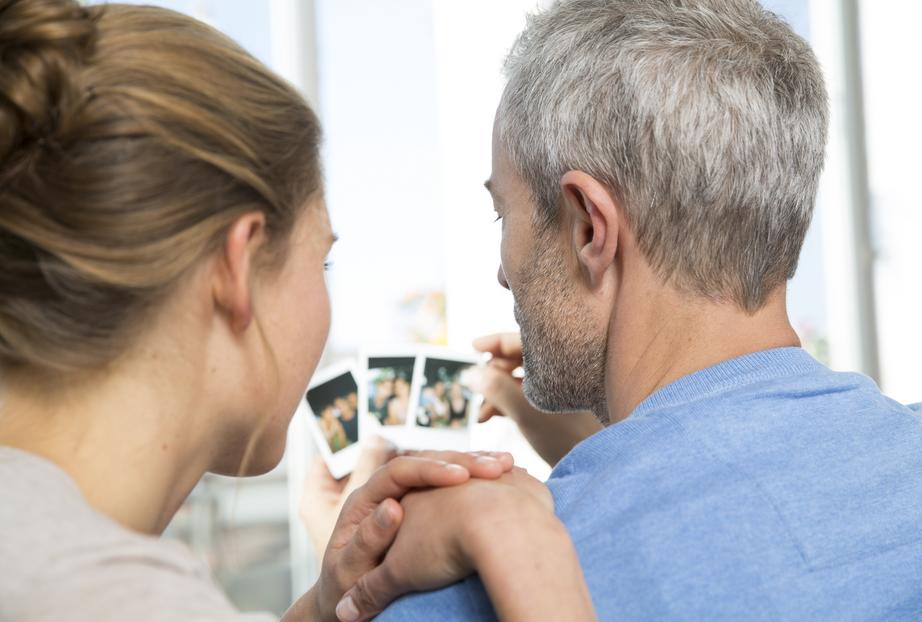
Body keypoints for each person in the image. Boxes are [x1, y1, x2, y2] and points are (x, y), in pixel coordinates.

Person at [0, 2, 596, 621]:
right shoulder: (116, 599)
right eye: (323, 263)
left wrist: (321, 603)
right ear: (238, 267)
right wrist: (528, 547)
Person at [371, 0, 922, 620]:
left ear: (588, 226)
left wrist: (341, 582)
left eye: (502, 213)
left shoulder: (476, 590)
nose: (503, 271)